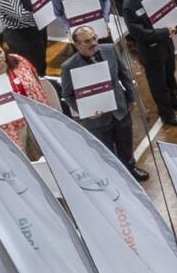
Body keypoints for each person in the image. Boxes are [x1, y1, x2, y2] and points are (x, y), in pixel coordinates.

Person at [58, 23, 148, 181]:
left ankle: (130, 168)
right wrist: (84, 111)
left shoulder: (110, 49)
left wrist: (131, 98)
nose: (93, 43)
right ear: (76, 44)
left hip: (120, 109)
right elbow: (67, 94)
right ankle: (115, 178)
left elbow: (124, 75)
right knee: (106, 152)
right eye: (86, 41)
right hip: (96, 119)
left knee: (125, 144)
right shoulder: (68, 67)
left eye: (94, 38)